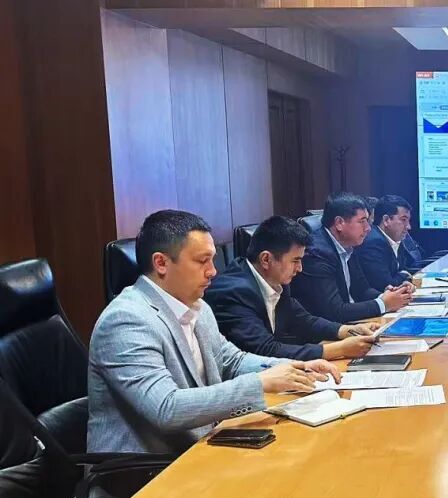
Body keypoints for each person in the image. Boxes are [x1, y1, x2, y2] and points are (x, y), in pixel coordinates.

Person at [87, 210, 340, 454]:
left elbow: (232, 361)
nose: (213, 271)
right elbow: (166, 408)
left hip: (201, 446)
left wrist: (294, 368)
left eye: (212, 259)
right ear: (161, 263)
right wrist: (260, 383)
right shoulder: (127, 320)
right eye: (202, 261)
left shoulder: (198, 306)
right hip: (145, 471)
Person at [204, 216, 379, 361]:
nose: (300, 268)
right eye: (295, 260)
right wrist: (339, 349)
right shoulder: (233, 293)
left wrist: (345, 331)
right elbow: (264, 350)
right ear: (266, 259)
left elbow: (303, 320)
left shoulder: (276, 280)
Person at [291, 192, 412, 323]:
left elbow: (362, 290)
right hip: (328, 330)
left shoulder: (348, 245)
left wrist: (388, 295)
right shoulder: (316, 254)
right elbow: (334, 311)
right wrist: (383, 304)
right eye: (362, 221)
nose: (368, 228)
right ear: (339, 223)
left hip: (351, 323)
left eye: (368, 221)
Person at [358, 195, 414, 291]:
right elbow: (387, 285)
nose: (408, 226)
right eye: (403, 220)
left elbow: (402, 270)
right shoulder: (373, 242)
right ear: (386, 220)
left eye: (408, 220)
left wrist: (403, 277)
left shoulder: (395, 238)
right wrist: (404, 276)